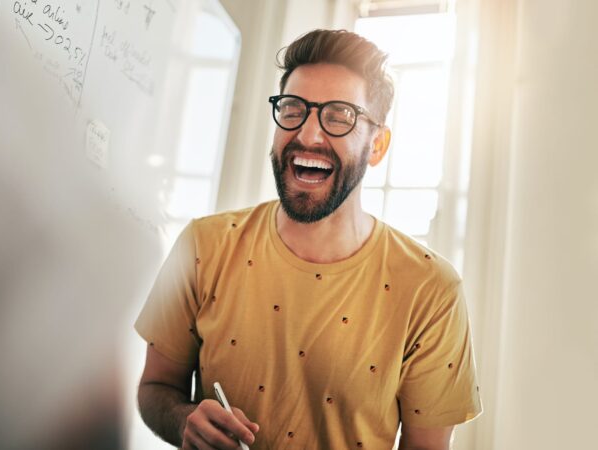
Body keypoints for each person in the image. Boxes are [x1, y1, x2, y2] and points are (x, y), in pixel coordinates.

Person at [135, 29, 482, 450]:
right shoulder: (201, 246)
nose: (308, 135)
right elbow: (156, 388)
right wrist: (184, 420)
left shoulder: (432, 290)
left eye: (338, 116)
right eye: (293, 109)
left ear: (377, 145)